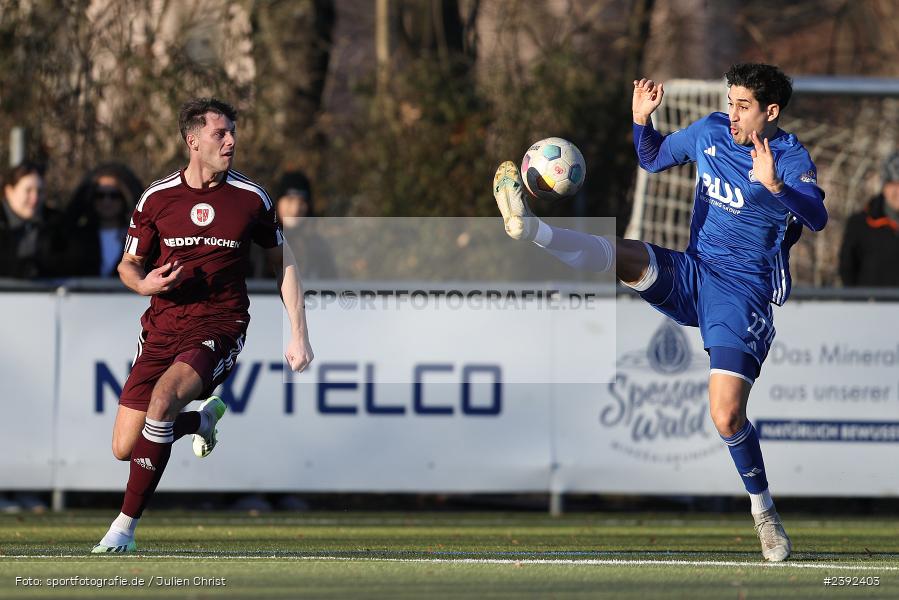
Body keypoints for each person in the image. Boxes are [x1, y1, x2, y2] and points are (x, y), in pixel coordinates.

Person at [492, 63, 826, 562]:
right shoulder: (711, 132)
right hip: (694, 271)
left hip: (744, 295)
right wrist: (640, 120)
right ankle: (531, 230)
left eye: (743, 106)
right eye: (730, 101)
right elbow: (650, 159)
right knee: (625, 255)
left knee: (726, 414)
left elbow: (817, 216)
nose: (731, 113)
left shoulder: (790, 157)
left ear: (770, 111)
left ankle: (763, 512)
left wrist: (776, 187)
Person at [91, 98, 314, 553]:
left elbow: (282, 260)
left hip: (220, 323)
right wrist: (144, 283)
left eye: (233, 131)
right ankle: (201, 419)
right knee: (124, 447)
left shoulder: (252, 198)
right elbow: (128, 265)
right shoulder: (157, 198)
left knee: (163, 398)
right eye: (221, 133)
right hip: (161, 327)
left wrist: (298, 332)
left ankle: (123, 529)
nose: (231, 140)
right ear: (193, 141)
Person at [251, 171, 337, 279]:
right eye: (290, 200)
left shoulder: (318, 246)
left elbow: (330, 287)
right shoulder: (257, 242)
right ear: (277, 202)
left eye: (301, 202)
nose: (295, 210)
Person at [65, 163, 143, 277]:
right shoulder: (76, 238)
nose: (107, 201)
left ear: (124, 198)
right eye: (100, 195)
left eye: (114, 195)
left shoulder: (139, 239)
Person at [839, 152, 899, 287]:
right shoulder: (859, 225)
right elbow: (847, 273)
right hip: (871, 306)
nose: (898, 191)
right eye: (892, 184)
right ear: (884, 186)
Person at [0, 161, 67, 279]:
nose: (35, 198)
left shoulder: (57, 224)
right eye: (28, 190)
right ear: (9, 191)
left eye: (39, 191)